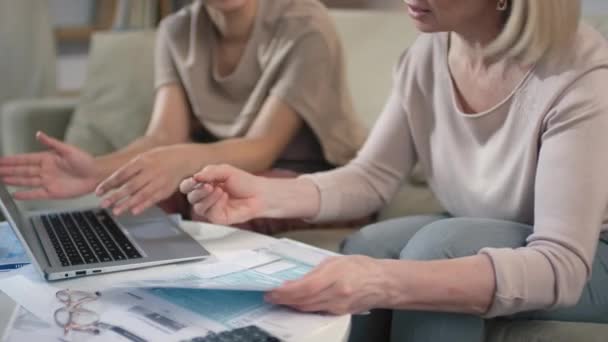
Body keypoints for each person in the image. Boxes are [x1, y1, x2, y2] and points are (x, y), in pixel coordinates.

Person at [179, 0, 608, 341]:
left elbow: (562, 266)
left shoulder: (579, 74)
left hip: (588, 258)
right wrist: (261, 196)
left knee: (442, 245)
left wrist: (386, 282)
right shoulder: (428, 53)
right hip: (493, 229)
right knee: (370, 243)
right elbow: (371, 177)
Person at [0, 0, 366, 233]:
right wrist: (96, 170)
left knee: (212, 207)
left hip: (313, 178)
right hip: (226, 171)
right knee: (138, 207)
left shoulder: (305, 24)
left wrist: (183, 160)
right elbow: (162, 137)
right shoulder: (176, 32)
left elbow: (261, 148)